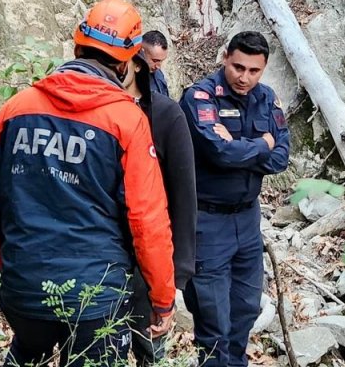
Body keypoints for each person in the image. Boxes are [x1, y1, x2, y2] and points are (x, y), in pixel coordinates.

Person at [0, 0, 176, 367]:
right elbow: (147, 221)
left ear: (76, 45)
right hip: (94, 299)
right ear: (126, 61)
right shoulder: (126, 121)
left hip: (24, 288)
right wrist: (162, 297)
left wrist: (13, 264)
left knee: (25, 353)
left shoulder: (17, 108)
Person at [179, 31, 290, 367]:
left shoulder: (268, 99)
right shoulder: (200, 97)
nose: (244, 78)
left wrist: (248, 148)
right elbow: (220, 153)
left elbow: (281, 157)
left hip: (247, 218)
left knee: (244, 311)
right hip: (208, 221)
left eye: (254, 71)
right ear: (225, 57)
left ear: (264, 68)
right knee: (214, 321)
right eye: (238, 67)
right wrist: (262, 143)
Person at [123, 51, 197, 366]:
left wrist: (176, 273)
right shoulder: (92, 113)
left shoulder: (166, 115)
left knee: (149, 349)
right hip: (98, 250)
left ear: (136, 64)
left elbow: (184, 197)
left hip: (149, 253)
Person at [141, 30, 171, 97]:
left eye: (161, 61)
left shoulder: (158, 74)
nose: (158, 66)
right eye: (155, 61)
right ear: (141, 52)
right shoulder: (129, 79)